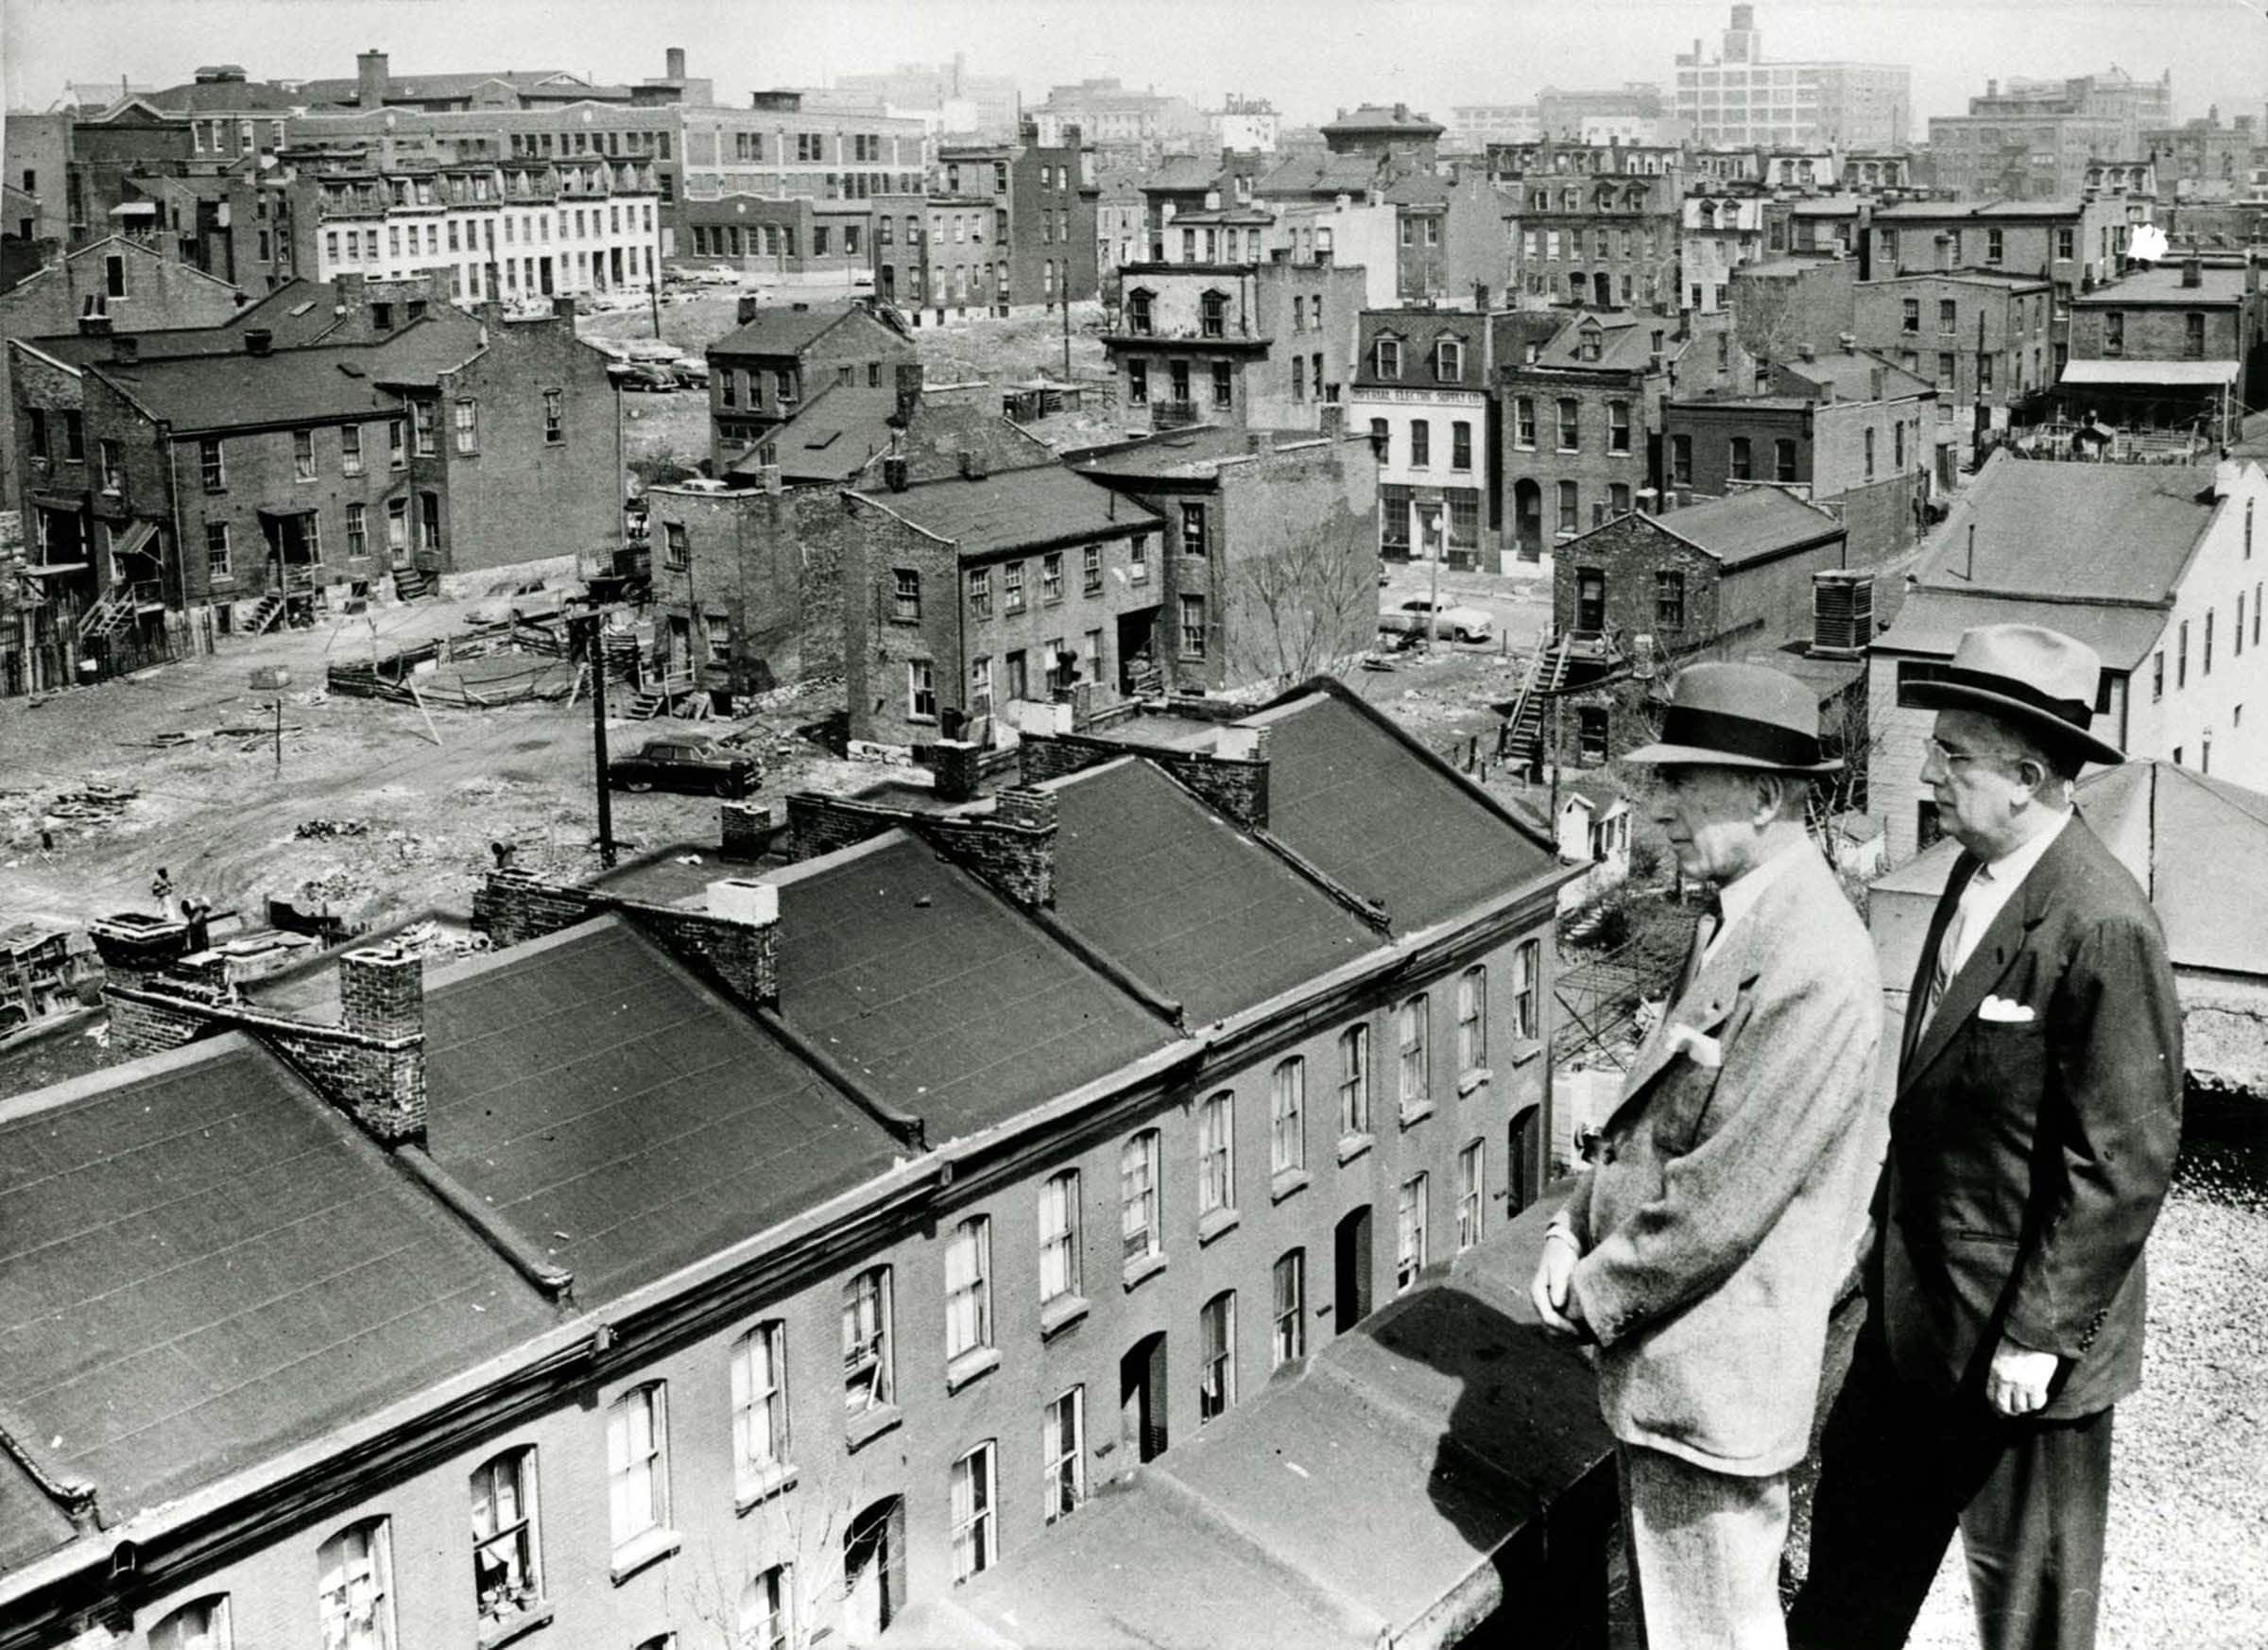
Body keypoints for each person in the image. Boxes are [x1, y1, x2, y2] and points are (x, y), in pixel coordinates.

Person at [1788, 625, 2182, 1650]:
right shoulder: (1974, 875)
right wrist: (1881, 1224)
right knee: (1847, 1589)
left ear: (2027, 779)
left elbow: (2124, 1161)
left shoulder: (2102, 924)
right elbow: (1935, 1090)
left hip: (2024, 1355)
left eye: (1953, 755)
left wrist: (2039, 1336)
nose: (1928, 772)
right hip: (1914, 1320)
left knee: (2032, 1619)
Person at [1530, 662, 1886, 1650]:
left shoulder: (1815, 961)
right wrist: (1568, 1229)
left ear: (1765, 797)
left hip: (1714, 1399)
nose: (1660, 808)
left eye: (1685, 783)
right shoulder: (1740, 920)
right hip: (1679, 1382)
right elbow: (1647, 1124)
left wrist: (1588, 1295)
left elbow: (1722, 1200)